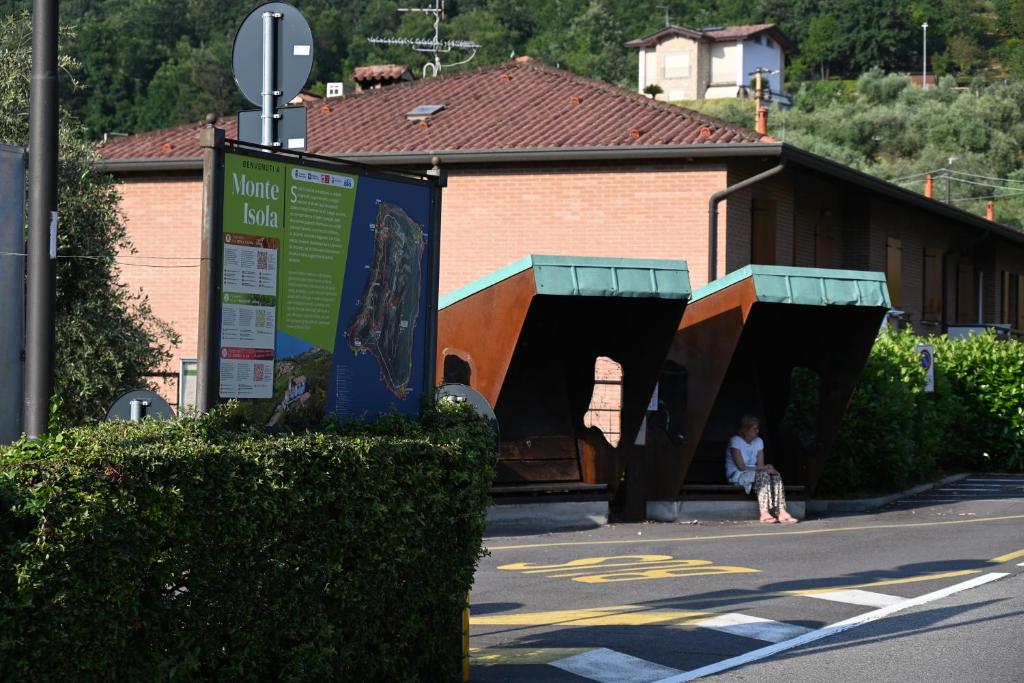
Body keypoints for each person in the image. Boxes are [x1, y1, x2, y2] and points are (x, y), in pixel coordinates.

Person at [725, 415, 798, 524]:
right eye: (754, 429)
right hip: (737, 475)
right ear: (745, 430)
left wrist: (767, 468)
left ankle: (782, 511)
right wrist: (764, 468)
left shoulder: (759, 441)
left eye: (758, 428)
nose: (757, 431)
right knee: (764, 474)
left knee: (774, 474)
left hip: (754, 474)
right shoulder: (735, 440)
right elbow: (742, 467)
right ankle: (764, 513)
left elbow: (760, 465)